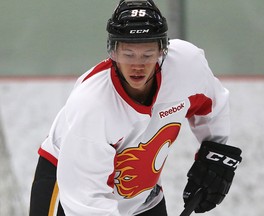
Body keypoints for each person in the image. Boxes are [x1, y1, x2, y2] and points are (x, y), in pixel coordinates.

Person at [29, 0, 242, 215]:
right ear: (113, 52)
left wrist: (214, 153)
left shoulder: (186, 67)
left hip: (142, 193)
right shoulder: (92, 105)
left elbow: (211, 105)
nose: (137, 65)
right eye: (128, 54)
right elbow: (87, 200)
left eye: (147, 54)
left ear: (162, 51)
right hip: (70, 186)